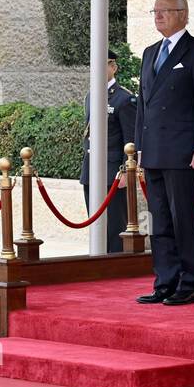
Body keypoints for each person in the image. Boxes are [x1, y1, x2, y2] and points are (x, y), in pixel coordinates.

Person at [134, 0, 194, 305]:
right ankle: (165, 281)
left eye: (165, 11)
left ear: (183, 13)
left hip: (183, 151)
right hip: (154, 149)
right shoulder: (150, 52)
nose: (158, 16)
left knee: (183, 217)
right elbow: (144, 103)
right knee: (159, 219)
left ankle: (188, 282)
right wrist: (140, 146)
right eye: (155, 11)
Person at [80, 48, 137, 254]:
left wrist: (124, 171)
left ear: (113, 67)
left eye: (102, 65)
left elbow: (130, 140)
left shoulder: (124, 99)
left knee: (114, 226)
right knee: (95, 222)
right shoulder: (90, 96)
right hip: (91, 167)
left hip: (112, 170)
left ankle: (113, 264)